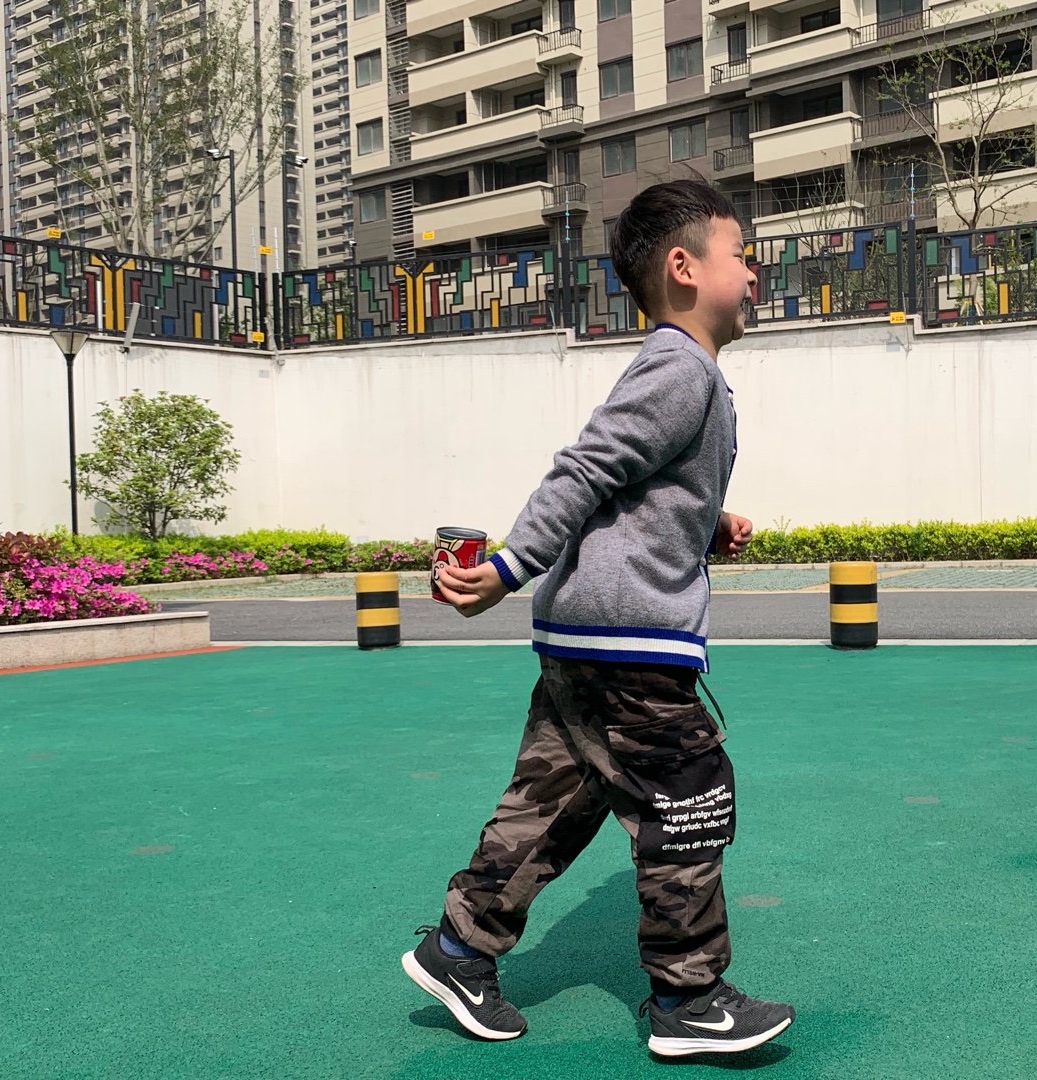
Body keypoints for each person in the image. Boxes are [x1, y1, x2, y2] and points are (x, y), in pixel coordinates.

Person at [402, 180, 795, 1058]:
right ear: (684, 268)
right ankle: (689, 998)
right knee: (688, 797)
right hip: (627, 643)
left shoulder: (683, 370)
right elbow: (583, 470)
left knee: (557, 797)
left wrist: (704, 521)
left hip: (586, 637)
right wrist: (508, 568)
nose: (754, 273)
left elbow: (638, 489)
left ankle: (459, 948)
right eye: (741, 255)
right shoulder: (681, 367)